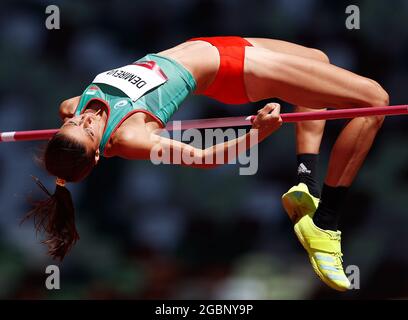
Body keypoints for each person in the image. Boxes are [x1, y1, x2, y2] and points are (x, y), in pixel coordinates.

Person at [25, 36, 389, 291]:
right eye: (87, 132)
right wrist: (259, 132)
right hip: (234, 70)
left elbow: (74, 117)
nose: (84, 121)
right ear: (99, 151)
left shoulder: (71, 107)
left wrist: (72, 135)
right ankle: (325, 223)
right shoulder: (128, 137)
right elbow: (203, 159)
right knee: (376, 100)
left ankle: (305, 185)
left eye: (74, 124)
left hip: (211, 45)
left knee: (317, 60)